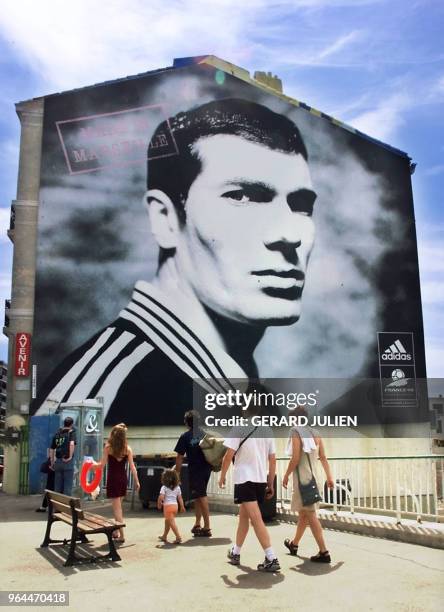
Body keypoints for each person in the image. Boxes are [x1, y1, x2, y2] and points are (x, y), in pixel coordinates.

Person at [33, 98, 316, 426]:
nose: (288, 234)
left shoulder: (241, 387)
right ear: (165, 219)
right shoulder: (98, 396)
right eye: (242, 196)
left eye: (301, 205)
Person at [219, 420, 280, 572]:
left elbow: (228, 455)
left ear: (244, 411)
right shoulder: (267, 430)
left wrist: (222, 476)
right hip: (259, 480)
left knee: (256, 519)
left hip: (244, 479)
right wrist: (270, 483)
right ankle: (236, 552)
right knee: (243, 518)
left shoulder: (239, 427)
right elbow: (272, 460)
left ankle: (271, 557)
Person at [282, 407, 334, 563]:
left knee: (310, 514)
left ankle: (324, 552)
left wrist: (285, 475)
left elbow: (295, 458)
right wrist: (329, 477)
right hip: (314, 479)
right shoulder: (316, 433)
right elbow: (323, 457)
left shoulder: (295, 431)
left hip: (303, 480)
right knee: (304, 514)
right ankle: (294, 544)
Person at [94, 423, 140, 543]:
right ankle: (116, 531)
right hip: (123, 479)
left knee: (117, 509)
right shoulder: (127, 448)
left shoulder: (108, 448)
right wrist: (137, 481)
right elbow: (132, 467)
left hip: (113, 479)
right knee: (118, 507)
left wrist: (89, 465)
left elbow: (101, 465)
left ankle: (122, 535)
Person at [174, 410, 212, 537]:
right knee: (197, 496)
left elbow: (179, 457)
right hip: (207, 469)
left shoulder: (185, 436)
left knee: (201, 496)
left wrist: (177, 473)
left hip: (196, 470)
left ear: (187, 423)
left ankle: (207, 527)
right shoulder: (204, 434)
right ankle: (197, 524)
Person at [157, 468, 185, 544]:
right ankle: (164, 536)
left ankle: (178, 537)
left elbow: (161, 497)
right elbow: (180, 498)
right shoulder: (177, 487)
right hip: (175, 506)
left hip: (167, 507)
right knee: (167, 521)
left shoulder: (164, 487)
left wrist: (159, 503)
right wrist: (182, 506)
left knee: (171, 522)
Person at [50, 416, 76, 495]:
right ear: (71, 424)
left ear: (64, 424)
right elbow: (72, 444)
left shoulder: (57, 434)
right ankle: (66, 506)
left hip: (58, 462)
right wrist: (70, 456)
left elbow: (52, 449)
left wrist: (52, 462)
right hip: (67, 462)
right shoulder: (71, 433)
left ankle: (57, 506)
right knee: (67, 487)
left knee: (57, 487)